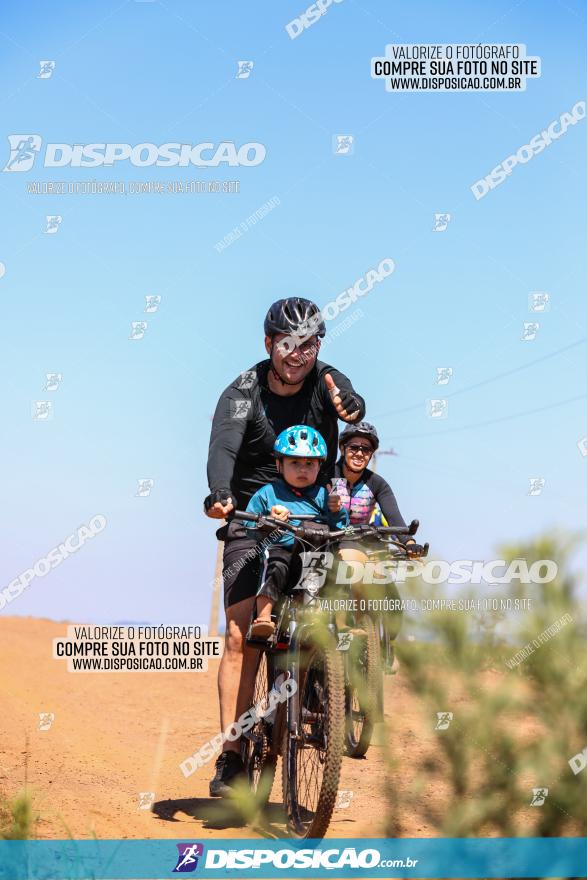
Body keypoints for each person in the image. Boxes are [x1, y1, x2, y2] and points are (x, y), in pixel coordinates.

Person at [204, 297, 366, 797]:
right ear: (269, 342)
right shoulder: (242, 392)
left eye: (310, 344)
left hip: (317, 515)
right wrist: (221, 494)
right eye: (288, 344)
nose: (298, 354)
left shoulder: (326, 380)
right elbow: (224, 446)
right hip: (254, 514)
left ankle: (336, 676)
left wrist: (352, 405)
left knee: (356, 567)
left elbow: (348, 397)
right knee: (239, 633)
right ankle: (232, 754)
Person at [244, 425, 348, 641]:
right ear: (279, 464)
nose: (303, 469)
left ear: (319, 466)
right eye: (295, 462)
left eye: (309, 463)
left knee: (340, 572)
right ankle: (264, 618)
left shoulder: (323, 495)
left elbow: (341, 528)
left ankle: (340, 625)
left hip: (316, 553)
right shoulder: (268, 493)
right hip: (283, 551)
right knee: (275, 567)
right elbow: (248, 523)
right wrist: (268, 522)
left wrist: (337, 511)